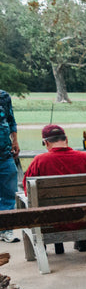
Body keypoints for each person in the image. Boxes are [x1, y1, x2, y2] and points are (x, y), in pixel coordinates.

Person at [22, 124, 86, 254]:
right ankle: (82, 240)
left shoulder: (39, 161)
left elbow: (28, 192)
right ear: (66, 139)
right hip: (85, 215)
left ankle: (42, 245)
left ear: (45, 142)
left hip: (53, 218)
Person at [0, 90, 20, 243]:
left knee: (9, 193)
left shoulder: (4, 96)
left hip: (5, 154)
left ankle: (6, 230)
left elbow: (11, 120)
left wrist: (15, 141)